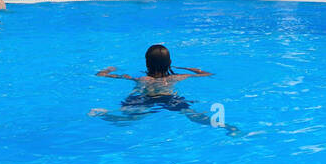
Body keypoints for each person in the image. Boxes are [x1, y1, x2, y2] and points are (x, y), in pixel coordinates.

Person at [90, 45, 234, 133]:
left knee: (129, 119)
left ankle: (104, 114)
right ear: (169, 62)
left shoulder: (140, 78)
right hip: (169, 98)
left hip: (145, 99)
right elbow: (207, 74)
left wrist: (109, 69)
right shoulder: (177, 77)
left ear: (147, 63)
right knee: (192, 114)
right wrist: (188, 68)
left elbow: (101, 75)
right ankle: (227, 127)